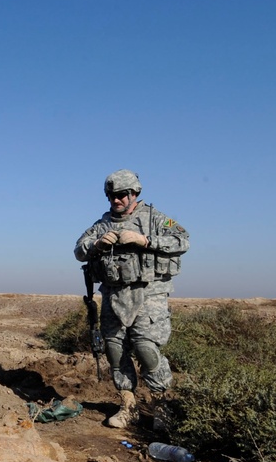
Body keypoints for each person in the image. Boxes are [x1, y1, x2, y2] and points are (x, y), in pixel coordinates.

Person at [73, 169, 189, 430]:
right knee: (115, 349)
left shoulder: (155, 219)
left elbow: (183, 240)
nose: (117, 200)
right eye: (112, 196)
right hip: (113, 295)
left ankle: (162, 407)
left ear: (135, 193)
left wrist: (144, 240)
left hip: (149, 293)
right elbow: (79, 250)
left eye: (123, 195)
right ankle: (128, 407)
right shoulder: (102, 224)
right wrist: (97, 245)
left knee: (146, 349)